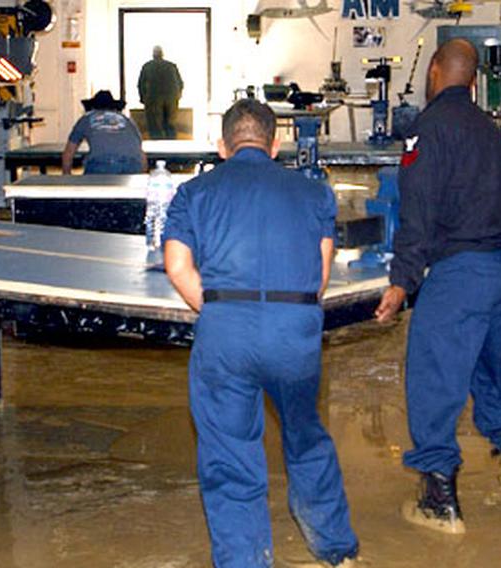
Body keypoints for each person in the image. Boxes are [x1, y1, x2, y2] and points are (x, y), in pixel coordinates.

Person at [163, 99, 358, 568]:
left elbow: (177, 266)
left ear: (221, 146)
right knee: (305, 433)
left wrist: (215, 311)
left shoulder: (194, 192)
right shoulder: (313, 192)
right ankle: (335, 550)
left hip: (227, 330)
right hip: (296, 331)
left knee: (230, 454)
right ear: (275, 145)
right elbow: (321, 272)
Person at [375, 39, 501, 534]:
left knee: (432, 375)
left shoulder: (427, 130)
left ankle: (438, 501)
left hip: (463, 273)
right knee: (489, 370)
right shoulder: (489, 131)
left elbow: (418, 213)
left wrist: (402, 281)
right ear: (474, 83)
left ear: (434, 72)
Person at [61, 90, 146, 175]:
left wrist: (67, 178)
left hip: (102, 164)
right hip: (133, 164)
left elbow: (68, 153)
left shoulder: (86, 118)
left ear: (92, 107)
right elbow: (141, 155)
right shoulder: (126, 119)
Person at [138, 46, 183, 139]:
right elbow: (180, 83)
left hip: (154, 98)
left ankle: (157, 147)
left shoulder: (147, 66)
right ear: (162, 54)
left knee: (155, 125)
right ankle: (171, 145)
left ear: (153, 55)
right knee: (170, 124)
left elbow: (141, 84)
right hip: (171, 98)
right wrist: (177, 96)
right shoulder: (172, 66)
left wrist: (143, 99)